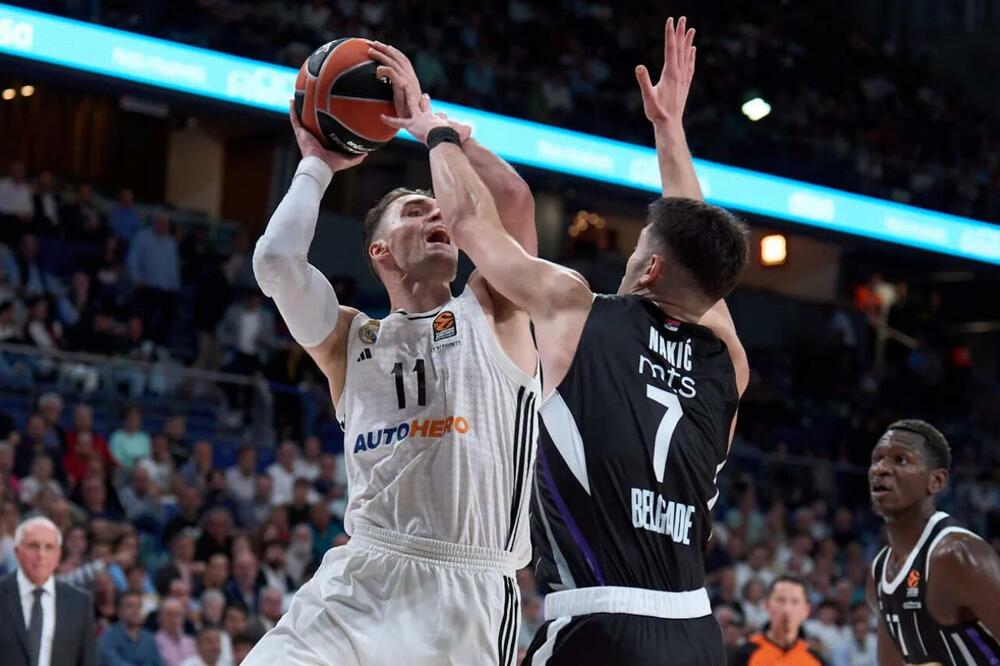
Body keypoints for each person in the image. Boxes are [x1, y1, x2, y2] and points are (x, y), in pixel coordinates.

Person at [410, 18, 748, 665]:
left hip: (600, 627)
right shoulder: (726, 360)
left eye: (641, 247)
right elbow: (702, 254)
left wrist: (438, 134)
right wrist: (669, 131)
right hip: (697, 633)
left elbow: (464, 222)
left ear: (649, 269)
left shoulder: (575, 307)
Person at [242, 41, 539, 666]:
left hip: (469, 591)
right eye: (413, 210)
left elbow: (512, 201)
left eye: (437, 207)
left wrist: (433, 128)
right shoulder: (350, 342)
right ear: (378, 252)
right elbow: (274, 261)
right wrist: (317, 165)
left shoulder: (496, 311)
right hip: (363, 578)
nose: (435, 209)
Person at [866, 420, 1000, 664]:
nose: (881, 469)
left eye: (901, 460)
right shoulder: (879, 572)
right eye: (877, 459)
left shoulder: (958, 555)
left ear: (936, 481)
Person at [0, 516, 96, 666]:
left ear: (58, 556)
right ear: (17, 552)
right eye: (33, 546)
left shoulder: (79, 603)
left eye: (49, 547)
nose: (41, 555)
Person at [728, 577, 825, 666]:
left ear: (806, 610)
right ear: (767, 605)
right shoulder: (745, 655)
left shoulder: (816, 660)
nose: (787, 609)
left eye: (795, 602)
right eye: (780, 600)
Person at [99, 590, 166, 665]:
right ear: (119, 611)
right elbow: (112, 662)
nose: (135, 611)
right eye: (130, 606)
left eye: (139, 606)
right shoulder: (109, 637)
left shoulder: (150, 638)